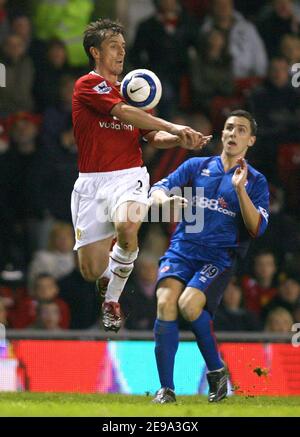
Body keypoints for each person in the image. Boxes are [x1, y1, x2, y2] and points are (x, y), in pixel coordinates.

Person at [71, 18, 210, 333]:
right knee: (91, 270)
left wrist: (178, 139)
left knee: (126, 224)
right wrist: (173, 125)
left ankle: (113, 301)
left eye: (122, 46)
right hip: (92, 183)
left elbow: (151, 136)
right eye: (112, 47)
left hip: (129, 176)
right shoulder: (87, 85)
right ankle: (113, 269)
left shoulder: (134, 92)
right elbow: (122, 112)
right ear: (95, 52)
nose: (121, 53)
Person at [150, 109, 269, 403]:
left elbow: (256, 228)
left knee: (189, 305)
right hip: (182, 249)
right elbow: (156, 189)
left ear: (250, 140)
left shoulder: (256, 181)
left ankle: (216, 370)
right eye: (229, 128)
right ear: (222, 133)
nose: (233, 133)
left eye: (241, 130)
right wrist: (166, 199)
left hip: (217, 258)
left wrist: (240, 191)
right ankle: (166, 390)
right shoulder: (196, 166)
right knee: (165, 301)